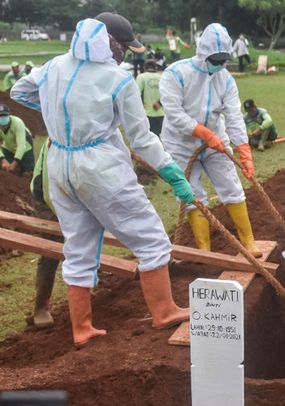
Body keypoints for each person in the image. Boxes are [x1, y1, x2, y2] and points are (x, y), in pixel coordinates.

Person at [11, 13, 195, 348]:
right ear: (105, 40)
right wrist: (172, 173)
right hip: (100, 168)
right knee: (151, 238)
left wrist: (60, 110)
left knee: (78, 247)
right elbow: (141, 139)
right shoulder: (117, 79)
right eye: (122, 46)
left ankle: (81, 328)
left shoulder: (52, 67)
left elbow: (20, 91)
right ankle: (164, 311)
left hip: (60, 164)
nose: (124, 53)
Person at [160, 23, 261, 257]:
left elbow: (234, 116)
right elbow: (174, 114)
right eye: (214, 60)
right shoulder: (175, 74)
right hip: (181, 145)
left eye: (223, 60)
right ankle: (204, 248)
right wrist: (205, 134)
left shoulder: (225, 79)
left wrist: (244, 152)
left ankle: (249, 242)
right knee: (192, 194)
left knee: (232, 186)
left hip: (217, 142)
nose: (219, 65)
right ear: (203, 54)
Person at [28, 139, 59, 329]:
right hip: (46, 198)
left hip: (75, 194)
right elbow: (46, 191)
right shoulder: (54, 142)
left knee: (87, 240)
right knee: (52, 248)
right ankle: (41, 307)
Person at [0, 103, 35, 175]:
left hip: (25, 149)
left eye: (4, 115)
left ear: (9, 115)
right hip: (8, 148)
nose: (2, 118)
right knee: (4, 170)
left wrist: (14, 163)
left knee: (28, 174)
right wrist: (3, 159)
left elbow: (21, 145)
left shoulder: (18, 123)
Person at [136, 60, 164, 135]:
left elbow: (136, 94)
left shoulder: (141, 77)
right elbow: (168, 94)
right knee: (157, 137)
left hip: (146, 113)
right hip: (161, 113)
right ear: (156, 67)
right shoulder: (162, 77)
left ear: (144, 67)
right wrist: (159, 103)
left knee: (146, 137)